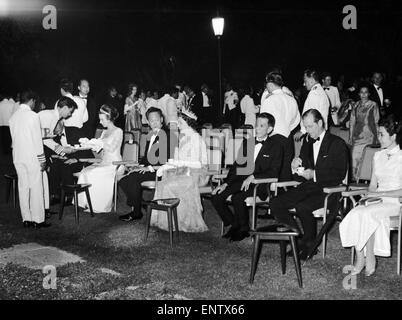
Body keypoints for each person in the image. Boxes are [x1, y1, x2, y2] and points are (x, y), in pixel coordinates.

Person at [269, 109, 348, 260]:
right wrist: (294, 165)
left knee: (302, 206)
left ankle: (309, 243)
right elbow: (300, 174)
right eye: (305, 127)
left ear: (320, 123)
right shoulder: (307, 142)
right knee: (275, 202)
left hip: (329, 190)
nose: (307, 130)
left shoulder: (337, 144)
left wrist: (315, 174)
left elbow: (339, 174)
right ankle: (297, 238)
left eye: (310, 126)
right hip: (308, 187)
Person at [339, 114, 402, 276]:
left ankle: (367, 258)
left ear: (394, 136)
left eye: (382, 134)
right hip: (378, 199)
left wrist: (382, 193)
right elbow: (373, 184)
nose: (378, 137)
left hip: (395, 202)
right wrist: (367, 196)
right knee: (356, 211)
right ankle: (361, 256)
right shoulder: (377, 155)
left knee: (367, 213)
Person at [211, 113, 287, 241]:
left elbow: (274, 172)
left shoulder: (276, 146)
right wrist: (226, 183)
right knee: (217, 196)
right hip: (241, 181)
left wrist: (253, 176)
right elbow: (237, 167)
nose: (257, 128)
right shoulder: (248, 142)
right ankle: (235, 223)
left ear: (269, 129)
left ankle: (243, 228)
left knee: (238, 197)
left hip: (261, 184)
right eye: (256, 125)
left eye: (261, 126)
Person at [150, 109, 209, 232]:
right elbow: (176, 160)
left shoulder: (196, 138)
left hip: (196, 174)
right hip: (183, 172)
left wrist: (180, 163)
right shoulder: (182, 138)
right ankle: (168, 218)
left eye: (180, 122)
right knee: (161, 184)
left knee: (168, 186)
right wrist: (165, 167)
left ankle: (178, 221)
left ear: (189, 123)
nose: (178, 124)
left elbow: (199, 164)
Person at [9, 90, 50, 228]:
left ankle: (26, 218)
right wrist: (42, 159)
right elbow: (37, 140)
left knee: (23, 187)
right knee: (36, 187)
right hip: (32, 156)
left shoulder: (13, 117)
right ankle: (38, 220)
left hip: (18, 156)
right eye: (35, 102)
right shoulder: (33, 116)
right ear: (32, 100)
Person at [119, 107, 168, 221]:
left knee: (133, 178)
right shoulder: (150, 135)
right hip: (150, 169)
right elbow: (146, 158)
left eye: (156, 119)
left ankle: (136, 212)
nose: (154, 123)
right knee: (124, 179)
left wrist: (149, 168)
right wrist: (140, 166)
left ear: (161, 119)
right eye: (151, 120)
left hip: (162, 171)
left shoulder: (168, 135)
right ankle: (141, 205)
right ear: (148, 122)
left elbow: (168, 160)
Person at [76, 105, 123, 213]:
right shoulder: (104, 132)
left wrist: (99, 143)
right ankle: (86, 202)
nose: (100, 122)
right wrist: (89, 144)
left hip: (115, 164)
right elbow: (99, 151)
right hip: (104, 162)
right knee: (85, 171)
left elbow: (112, 148)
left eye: (102, 119)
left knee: (94, 173)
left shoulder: (118, 131)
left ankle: (98, 206)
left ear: (109, 118)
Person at [39, 96, 80, 202]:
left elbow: (47, 140)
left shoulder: (53, 116)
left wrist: (62, 150)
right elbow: (44, 140)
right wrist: (63, 150)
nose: (70, 114)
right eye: (70, 111)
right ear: (65, 108)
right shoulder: (49, 116)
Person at [260, 72, 300, 181]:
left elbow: (263, 122)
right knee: (285, 171)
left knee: (270, 172)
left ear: (270, 84)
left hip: (274, 138)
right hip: (288, 138)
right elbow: (296, 120)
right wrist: (287, 128)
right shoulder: (292, 99)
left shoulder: (269, 100)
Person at [349, 83, 380, 180]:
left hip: (369, 137)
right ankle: (355, 184)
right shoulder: (356, 105)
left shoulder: (373, 105)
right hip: (357, 137)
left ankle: (366, 182)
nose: (363, 94)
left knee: (367, 161)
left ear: (369, 94)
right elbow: (352, 122)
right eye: (361, 92)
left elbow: (376, 121)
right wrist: (350, 137)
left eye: (366, 92)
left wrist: (378, 137)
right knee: (354, 159)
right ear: (358, 94)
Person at [295, 69, 330, 141]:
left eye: (305, 81)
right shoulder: (321, 91)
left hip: (314, 132)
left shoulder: (314, 94)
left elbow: (311, 116)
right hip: (320, 131)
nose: (304, 84)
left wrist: (303, 131)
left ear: (311, 79)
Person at [56, 78, 89, 145]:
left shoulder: (59, 102)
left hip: (66, 137)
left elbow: (56, 120)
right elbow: (85, 119)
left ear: (61, 90)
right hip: (79, 135)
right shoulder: (80, 100)